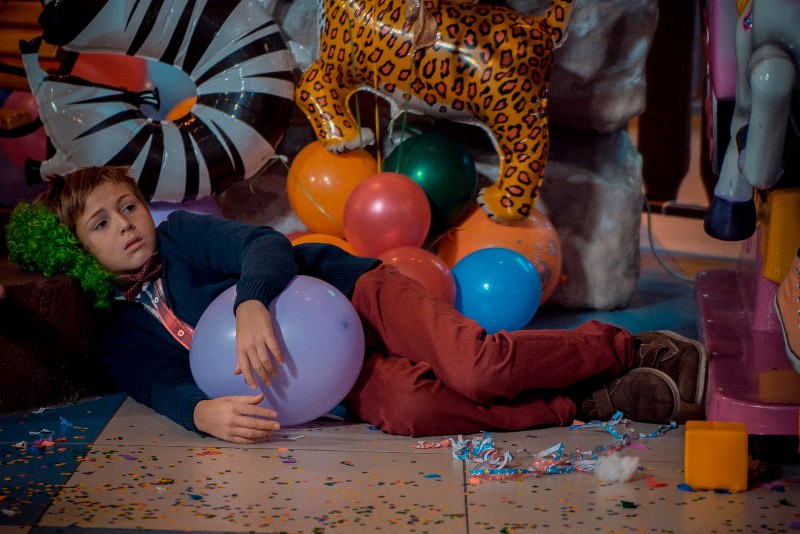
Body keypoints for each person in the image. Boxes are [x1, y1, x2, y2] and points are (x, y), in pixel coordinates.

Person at [5, 166, 708, 443]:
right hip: (333, 377)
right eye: (102, 223)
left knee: (477, 366)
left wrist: (251, 303)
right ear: (79, 251)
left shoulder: (184, 236)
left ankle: (628, 347)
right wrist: (200, 412)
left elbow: (263, 246)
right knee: (413, 411)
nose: (127, 225)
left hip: (358, 296)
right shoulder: (121, 335)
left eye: (129, 206)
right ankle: (586, 400)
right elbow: (156, 383)